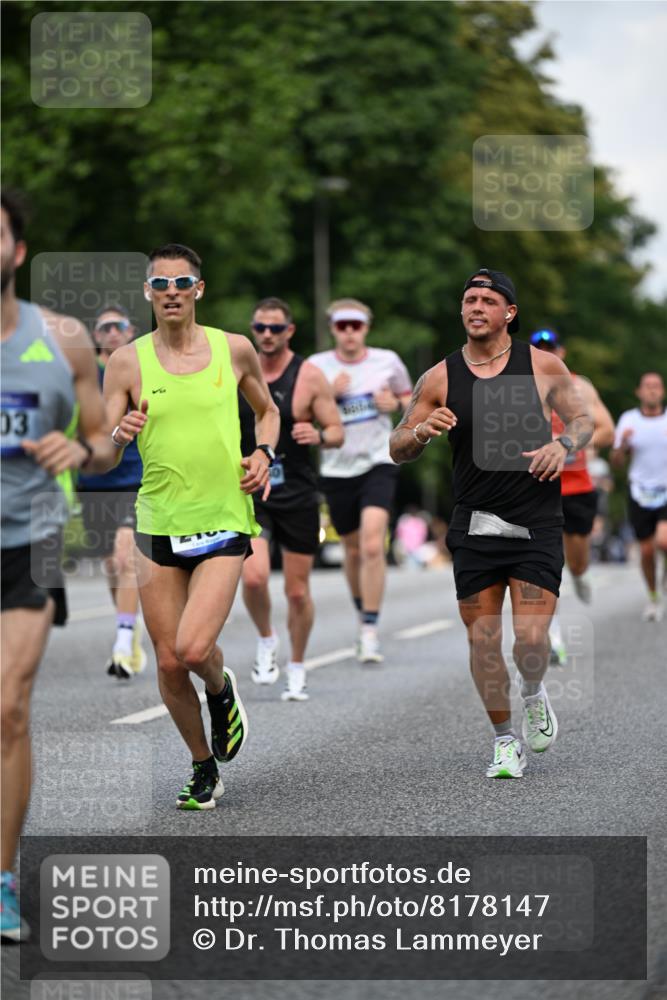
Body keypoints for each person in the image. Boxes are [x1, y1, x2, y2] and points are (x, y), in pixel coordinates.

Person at [390, 268, 593, 779]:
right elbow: (395, 448)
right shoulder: (439, 376)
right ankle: (505, 741)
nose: (476, 307)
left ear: (509, 313)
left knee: (528, 642)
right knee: (482, 641)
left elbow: (583, 421)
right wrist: (419, 431)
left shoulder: (542, 366)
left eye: (487, 300)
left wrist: (562, 444)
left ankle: (532, 691)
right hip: (475, 526)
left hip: (535, 524)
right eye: (469, 300)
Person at [102, 244, 279, 810]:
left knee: (196, 645)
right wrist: (117, 436)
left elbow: (267, 410)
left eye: (182, 281)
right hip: (158, 521)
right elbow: (104, 454)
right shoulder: (127, 362)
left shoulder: (235, 349)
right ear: (149, 293)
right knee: (170, 660)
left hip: (225, 517)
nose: (171, 291)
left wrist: (265, 453)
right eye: (160, 283)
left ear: (198, 289)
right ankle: (203, 766)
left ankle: (222, 691)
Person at [1, 190, 114, 940]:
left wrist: (82, 449)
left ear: (16, 252)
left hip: (30, 538)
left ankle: (3, 877)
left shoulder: (65, 338)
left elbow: (105, 440)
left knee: (8, 705)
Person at [239, 297, 343, 701]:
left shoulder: (310, 376)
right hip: (251, 488)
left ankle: (297, 665)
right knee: (254, 575)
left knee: (297, 591)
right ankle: (266, 638)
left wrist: (318, 435)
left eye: (275, 329)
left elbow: (336, 430)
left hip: (297, 491)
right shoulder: (236, 370)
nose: (267, 335)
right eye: (260, 328)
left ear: (289, 331)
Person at [310, 299, 412, 663]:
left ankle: (370, 630)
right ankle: (361, 611)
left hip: (378, 461)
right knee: (352, 550)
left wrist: (396, 405)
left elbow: (409, 396)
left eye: (356, 325)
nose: (350, 332)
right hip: (337, 467)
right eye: (342, 326)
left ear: (366, 327)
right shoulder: (317, 367)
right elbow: (298, 411)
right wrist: (328, 396)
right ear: (333, 329)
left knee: (372, 544)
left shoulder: (387, 360)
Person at [529, 328, 615, 662]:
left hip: (577, 486)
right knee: (546, 564)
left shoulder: (581, 387)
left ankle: (581, 575)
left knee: (575, 562)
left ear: (562, 353)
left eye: (551, 349)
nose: (547, 355)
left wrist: (575, 441)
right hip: (537, 487)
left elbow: (607, 429)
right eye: (539, 350)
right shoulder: (518, 388)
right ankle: (553, 637)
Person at [78, 306, 146, 678]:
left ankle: (122, 641)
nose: (113, 333)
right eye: (105, 328)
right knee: (111, 564)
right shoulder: (86, 378)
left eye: (119, 326)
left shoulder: (141, 370)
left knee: (125, 558)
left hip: (133, 476)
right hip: (93, 480)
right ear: (96, 336)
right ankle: (129, 625)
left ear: (131, 330)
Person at [611, 372, 667, 621]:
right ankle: (654, 595)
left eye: (656, 386)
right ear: (639, 392)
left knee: (664, 542)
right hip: (640, 491)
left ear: (662, 392)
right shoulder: (628, 420)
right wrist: (622, 445)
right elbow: (616, 462)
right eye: (648, 386)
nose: (652, 391)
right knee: (646, 551)